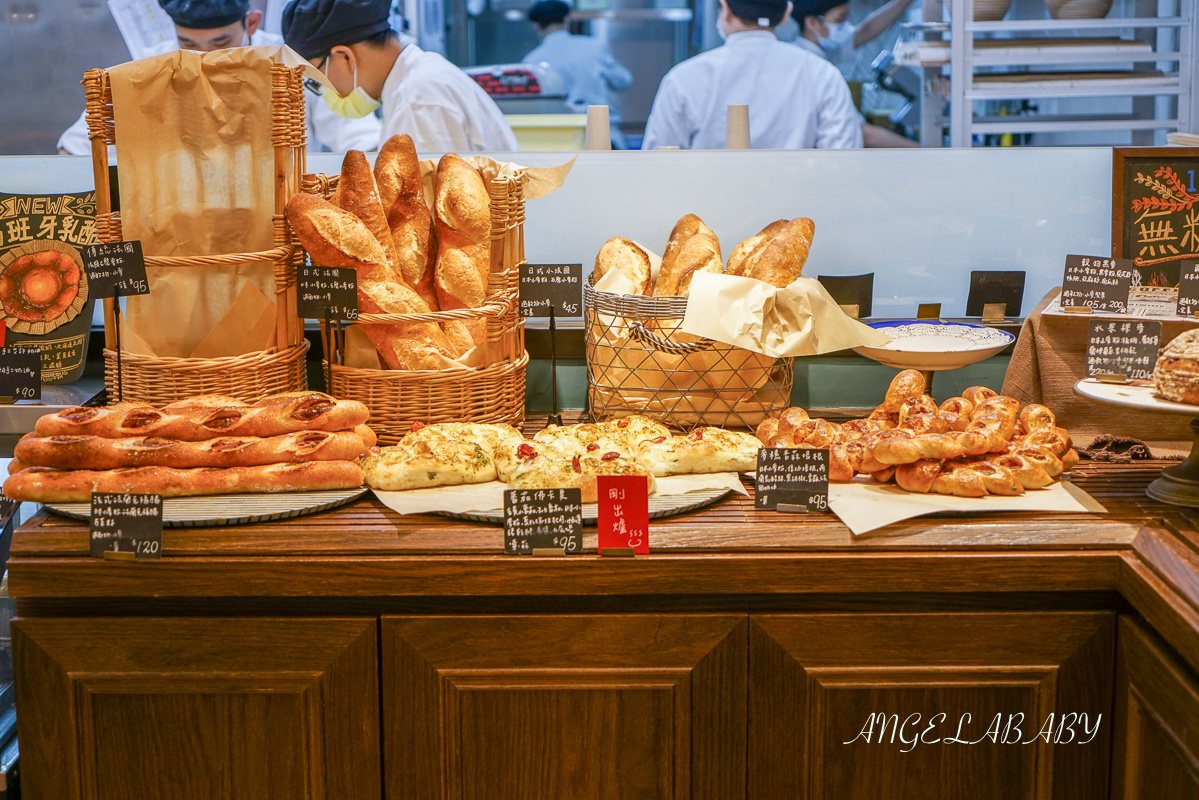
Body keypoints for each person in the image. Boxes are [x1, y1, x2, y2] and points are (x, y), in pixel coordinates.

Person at [56, 0, 381, 155]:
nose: (205, 57)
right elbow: (74, 149)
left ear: (251, 23)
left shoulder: (290, 64)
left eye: (221, 43)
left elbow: (362, 142)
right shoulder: (150, 67)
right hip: (179, 240)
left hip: (280, 233)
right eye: (189, 44)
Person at [282, 0, 520, 152]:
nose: (323, 91)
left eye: (317, 78)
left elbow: (434, 223)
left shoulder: (418, 100)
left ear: (345, 57)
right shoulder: (421, 77)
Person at [641, 0, 861, 150]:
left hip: (707, 217)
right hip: (798, 216)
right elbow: (843, 162)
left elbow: (658, 168)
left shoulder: (683, 78)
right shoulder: (822, 75)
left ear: (725, 8)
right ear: (786, 13)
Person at [793, 0, 919, 148]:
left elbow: (867, 30)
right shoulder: (811, 68)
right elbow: (862, 133)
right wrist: (923, 149)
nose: (846, 27)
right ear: (812, 23)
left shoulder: (824, 51)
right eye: (839, 20)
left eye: (847, 18)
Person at [524, 0, 634, 148]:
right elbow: (623, 81)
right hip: (602, 138)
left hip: (556, 142)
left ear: (535, 25)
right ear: (567, 19)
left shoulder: (531, 62)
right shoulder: (594, 47)